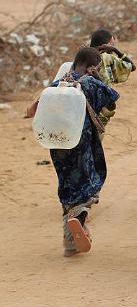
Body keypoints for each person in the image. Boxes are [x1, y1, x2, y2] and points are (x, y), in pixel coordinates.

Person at [27, 47, 119, 257]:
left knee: (67, 184)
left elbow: (37, 107)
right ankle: (80, 215)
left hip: (57, 142)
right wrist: (98, 78)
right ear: (91, 67)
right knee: (91, 182)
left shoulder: (59, 82)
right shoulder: (89, 83)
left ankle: (70, 242)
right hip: (81, 141)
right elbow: (112, 97)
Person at [89, 28, 136, 125]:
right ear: (110, 43)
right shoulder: (107, 57)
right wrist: (116, 51)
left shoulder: (84, 54)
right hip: (99, 107)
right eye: (113, 43)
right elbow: (132, 66)